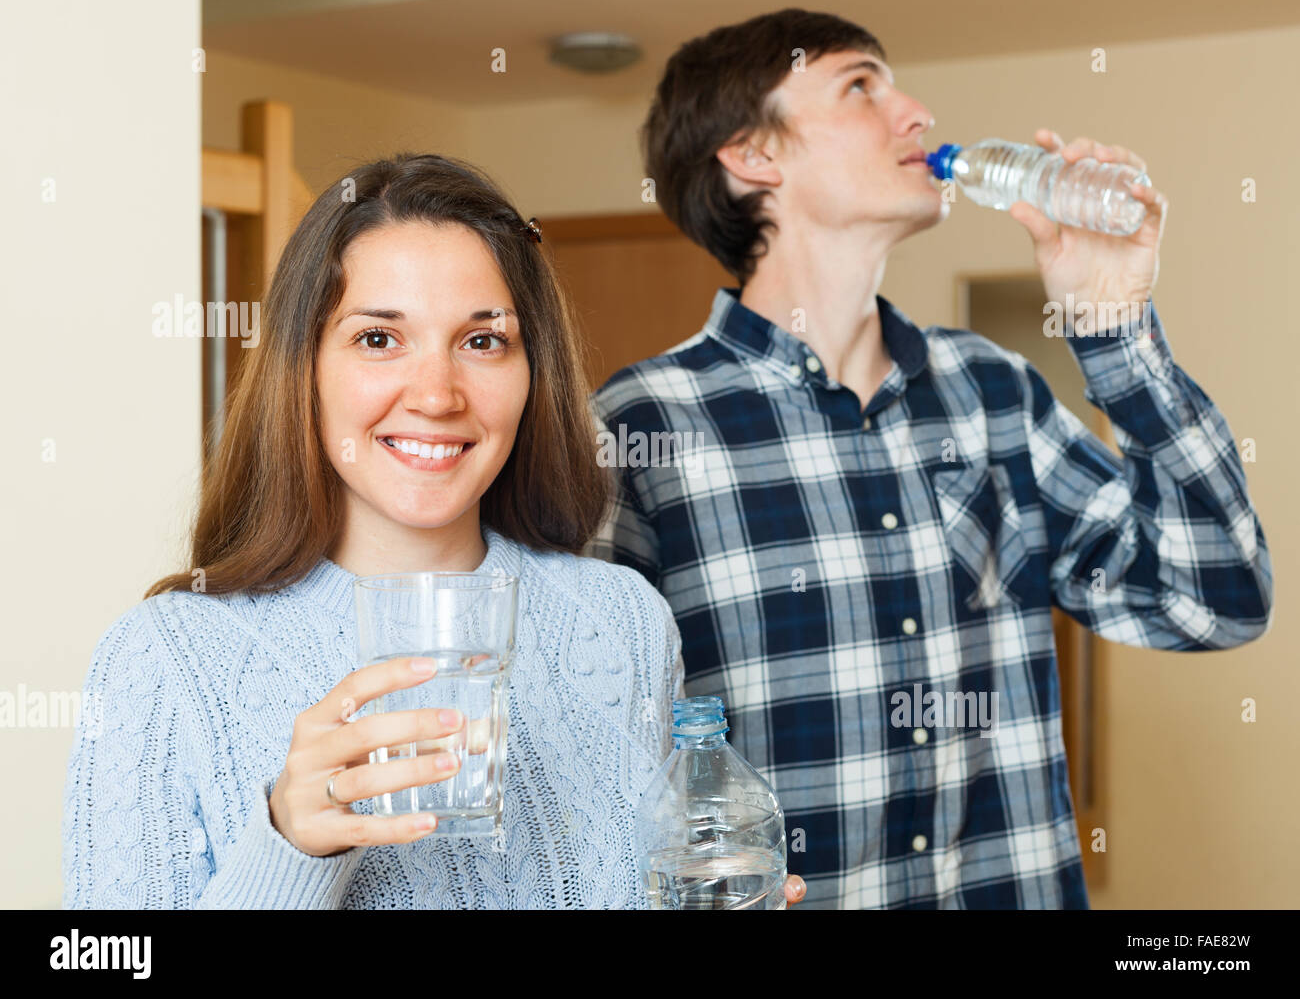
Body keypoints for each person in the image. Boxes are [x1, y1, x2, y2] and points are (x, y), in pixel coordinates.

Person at [589, 8, 1272, 909]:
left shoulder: (994, 393)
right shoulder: (639, 428)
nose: (915, 112)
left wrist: (1114, 331)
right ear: (753, 155)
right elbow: (590, 770)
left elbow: (1216, 601)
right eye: (861, 86)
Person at [61, 152, 806, 909]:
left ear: (532, 371)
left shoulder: (624, 620)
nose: (437, 395)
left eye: (483, 341)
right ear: (304, 366)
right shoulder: (164, 659)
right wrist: (290, 845)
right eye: (379, 339)